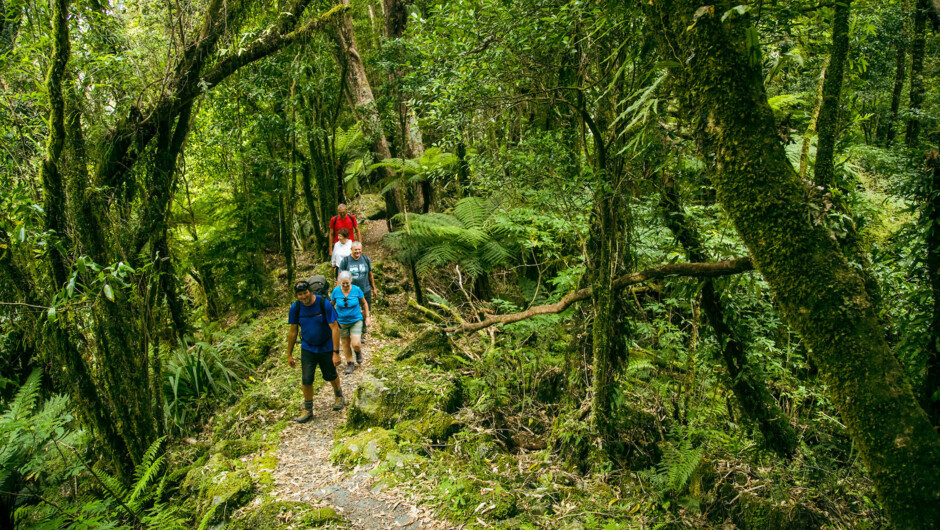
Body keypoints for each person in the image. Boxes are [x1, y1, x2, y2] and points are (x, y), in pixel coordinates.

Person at [286, 280, 345, 423]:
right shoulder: (296, 308)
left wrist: (336, 352)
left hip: (326, 346)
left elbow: (335, 328)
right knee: (306, 379)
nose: (303, 296)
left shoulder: (323, 304)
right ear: (297, 295)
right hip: (307, 347)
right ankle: (308, 409)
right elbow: (293, 332)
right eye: (300, 294)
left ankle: (338, 396)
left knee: (330, 374)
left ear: (310, 291)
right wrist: (289, 354)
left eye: (305, 293)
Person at [331, 271, 370, 374]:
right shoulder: (335, 291)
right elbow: (331, 306)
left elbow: (364, 303)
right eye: (343, 283)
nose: (345, 285)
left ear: (350, 281)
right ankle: (350, 363)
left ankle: (357, 351)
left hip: (356, 320)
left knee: (356, 343)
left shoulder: (357, 290)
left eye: (347, 283)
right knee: (345, 343)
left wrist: (367, 317)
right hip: (341, 322)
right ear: (340, 282)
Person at [338, 242, 377, 320]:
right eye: (355, 249)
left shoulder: (366, 259)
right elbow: (340, 277)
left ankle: (363, 326)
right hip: (351, 291)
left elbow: (370, 275)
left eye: (359, 249)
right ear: (351, 249)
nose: (357, 251)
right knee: (353, 310)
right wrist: (339, 291)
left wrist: (374, 288)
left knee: (366, 309)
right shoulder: (345, 261)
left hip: (365, 290)